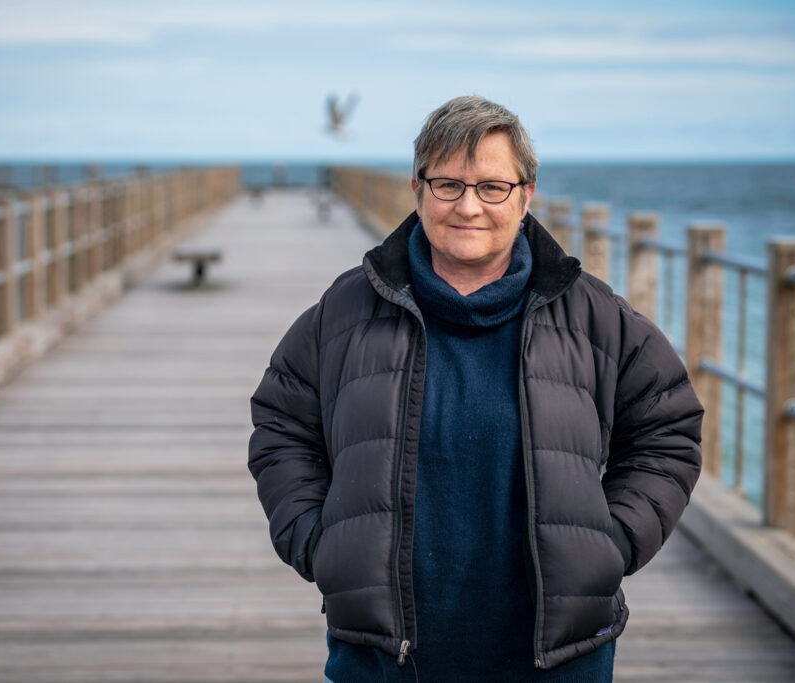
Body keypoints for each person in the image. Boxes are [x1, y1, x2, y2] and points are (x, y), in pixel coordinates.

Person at [249, 96, 703, 682]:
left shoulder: (595, 315)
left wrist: (607, 545)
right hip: (383, 656)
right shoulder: (344, 311)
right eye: (448, 185)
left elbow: (667, 429)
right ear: (417, 189)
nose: (469, 206)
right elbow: (281, 426)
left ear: (526, 195)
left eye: (493, 186)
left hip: (558, 657)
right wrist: (319, 541)